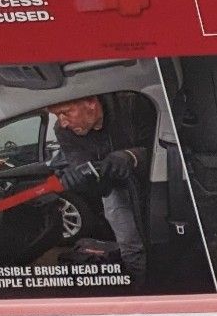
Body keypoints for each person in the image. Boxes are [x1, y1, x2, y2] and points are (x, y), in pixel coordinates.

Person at [47, 96, 150, 279]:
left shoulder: (131, 103)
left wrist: (130, 156)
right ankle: (139, 287)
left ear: (91, 103)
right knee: (129, 244)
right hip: (114, 188)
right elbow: (82, 167)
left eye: (65, 112)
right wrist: (77, 177)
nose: (62, 123)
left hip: (154, 179)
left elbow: (161, 145)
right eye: (57, 115)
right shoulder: (64, 131)